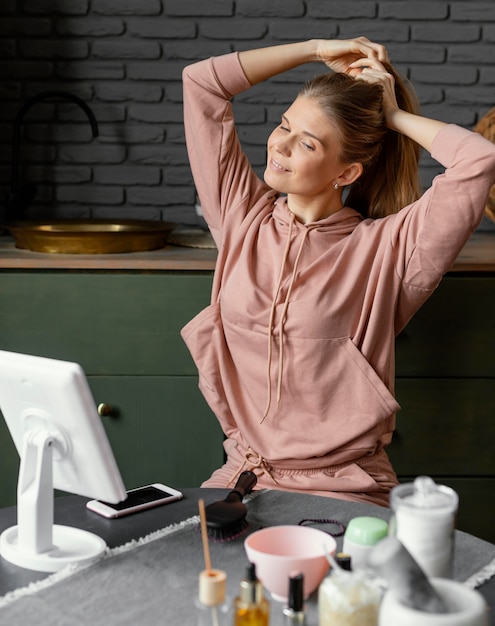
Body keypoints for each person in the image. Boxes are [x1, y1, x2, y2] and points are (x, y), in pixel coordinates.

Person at [181, 38, 495, 506]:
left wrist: (392, 116)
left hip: (345, 485)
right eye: (284, 126)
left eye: (306, 143)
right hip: (244, 473)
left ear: (346, 173)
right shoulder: (240, 218)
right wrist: (313, 49)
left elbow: (479, 159)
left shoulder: (388, 249)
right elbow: (202, 83)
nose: (280, 146)